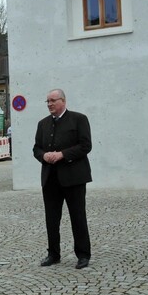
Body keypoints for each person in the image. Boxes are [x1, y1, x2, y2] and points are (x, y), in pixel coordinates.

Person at [33, 88, 93, 269]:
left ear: (63, 101)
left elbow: (85, 146)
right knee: (51, 218)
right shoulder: (43, 124)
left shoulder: (79, 119)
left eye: (53, 100)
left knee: (78, 217)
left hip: (73, 177)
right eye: (48, 101)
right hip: (50, 178)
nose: (50, 104)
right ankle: (53, 253)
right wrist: (43, 156)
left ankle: (83, 254)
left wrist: (62, 154)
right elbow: (36, 148)